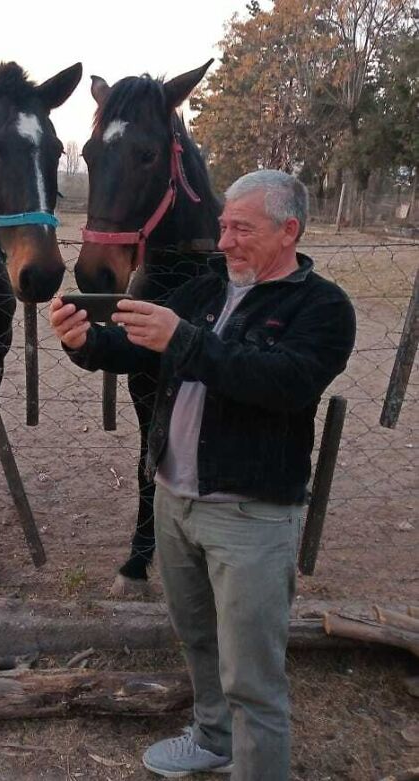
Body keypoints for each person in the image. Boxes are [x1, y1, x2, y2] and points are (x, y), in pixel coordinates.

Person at [49, 170, 356, 780]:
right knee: (198, 639)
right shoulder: (204, 290)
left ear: (288, 230)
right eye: (222, 226)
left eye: (241, 229)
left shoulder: (322, 307)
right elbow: (135, 349)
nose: (225, 242)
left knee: (253, 675)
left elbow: (282, 385)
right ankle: (214, 739)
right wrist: (82, 343)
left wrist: (183, 341)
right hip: (174, 501)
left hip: (250, 515)